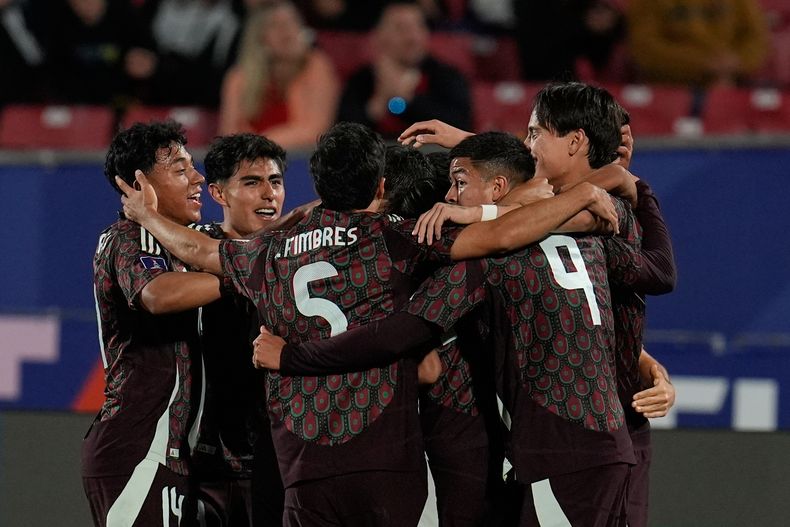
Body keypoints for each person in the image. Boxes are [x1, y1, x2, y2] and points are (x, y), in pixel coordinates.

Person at [83, 120, 221, 527]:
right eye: (180, 170)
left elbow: (247, 244)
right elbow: (157, 294)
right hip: (135, 448)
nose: (197, 177)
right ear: (138, 185)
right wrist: (240, 278)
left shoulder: (183, 238)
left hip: (171, 451)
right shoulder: (129, 236)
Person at [190, 133, 288, 527]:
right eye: (252, 182)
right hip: (205, 456)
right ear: (217, 192)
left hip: (279, 457)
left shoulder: (298, 252)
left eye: (276, 181)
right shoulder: (190, 252)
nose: (269, 194)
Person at [336, 0, 471, 140]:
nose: (412, 37)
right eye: (401, 28)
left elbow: (459, 130)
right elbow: (344, 138)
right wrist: (378, 103)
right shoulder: (362, 80)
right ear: (379, 36)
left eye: (418, 27)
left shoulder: (446, 76)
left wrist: (405, 99)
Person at [218, 1, 340, 150]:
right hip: (249, 164)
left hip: (301, 162)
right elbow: (228, 137)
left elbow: (316, 131)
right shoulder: (238, 78)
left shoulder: (317, 67)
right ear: (259, 37)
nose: (286, 31)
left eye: (292, 22)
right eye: (275, 25)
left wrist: (262, 143)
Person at [627, 0, 769, 87]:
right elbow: (645, 48)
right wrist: (706, 64)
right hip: (668, 93)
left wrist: (735, 62)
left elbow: (757, 38)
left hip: (729, 86)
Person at [42, 0, 157, 105]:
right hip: (75, 105)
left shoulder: (126, 15)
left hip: (121, 101)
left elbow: (151, 57)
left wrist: (148, 65)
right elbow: (50, 72)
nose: (88, 3)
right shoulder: (56, 19)